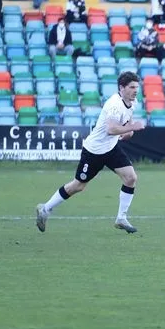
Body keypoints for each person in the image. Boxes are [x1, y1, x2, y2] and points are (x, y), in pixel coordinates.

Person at [36, 72, 146, 234]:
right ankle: (45, 209)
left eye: (137, 87)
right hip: (94, 151)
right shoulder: (114, 104)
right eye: (131, 87)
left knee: (131, 178)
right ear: (121, 88)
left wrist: (129, 131)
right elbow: (111, 129)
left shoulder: (131, 101)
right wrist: (132, 127)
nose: (135, 90)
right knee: (78, 186)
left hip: (111, 148)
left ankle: (121, 218)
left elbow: (126, 122)